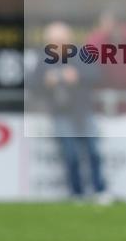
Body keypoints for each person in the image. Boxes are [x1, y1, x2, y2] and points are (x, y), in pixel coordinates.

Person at [38, 21, 110, 203]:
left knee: (93, 152)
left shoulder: (82, 54)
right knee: (71, 155)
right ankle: (76, 193)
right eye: (54, 41)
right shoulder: (43, 59)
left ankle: (99, 190)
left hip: (83, 112)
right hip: (61, 114)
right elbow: (32, 82)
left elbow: (96, 74)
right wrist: (46, 81)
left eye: (61, 40)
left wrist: (77, 76)